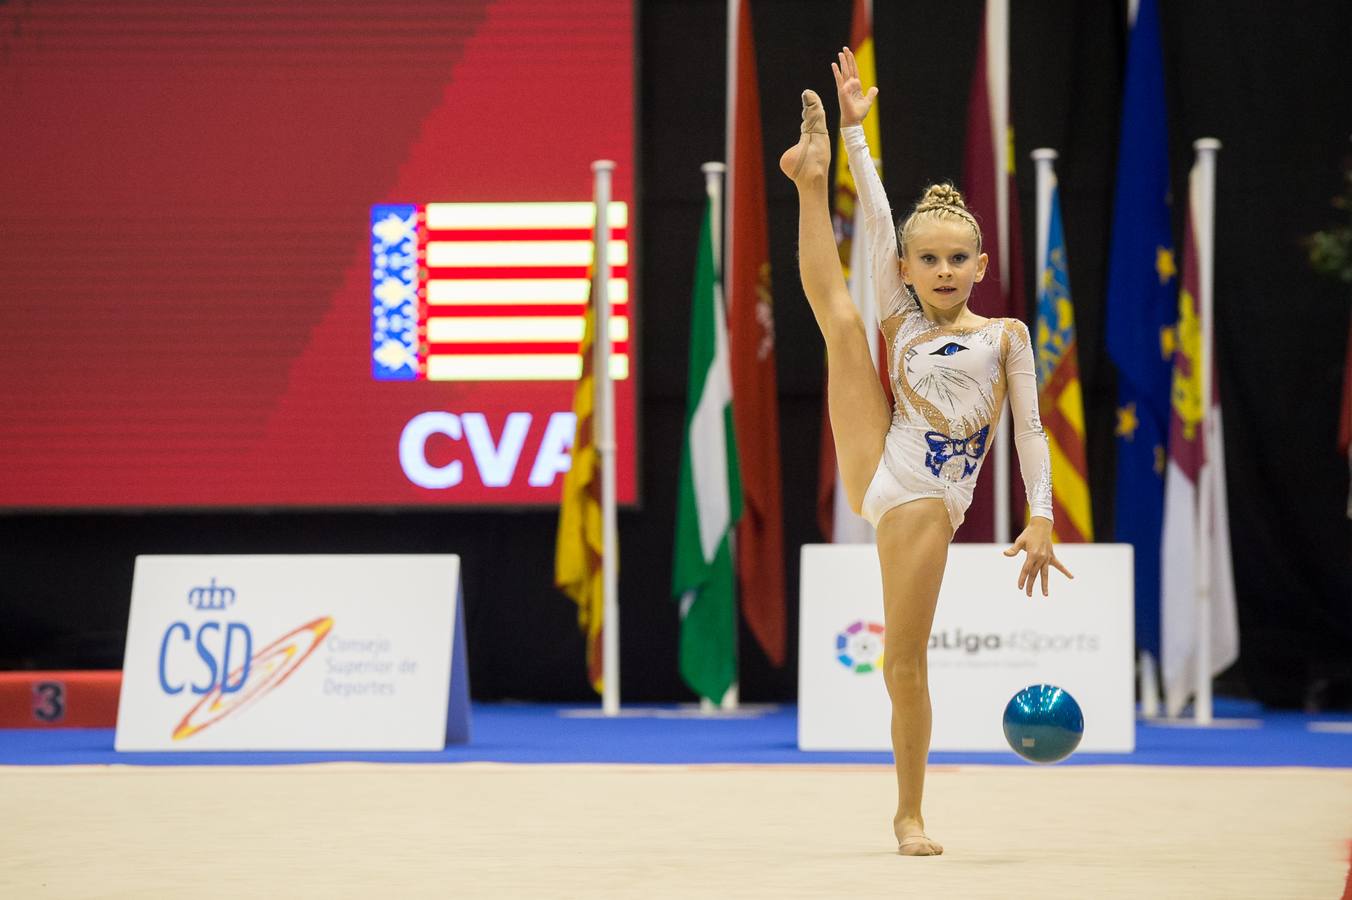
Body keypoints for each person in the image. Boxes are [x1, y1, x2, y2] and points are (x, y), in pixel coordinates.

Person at [779, 47, 1073, 856]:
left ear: (981, 267)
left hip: (929, 495)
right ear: (907, 269)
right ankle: (808, 178)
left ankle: (907, 810)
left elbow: (1028, 431)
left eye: (957, 260)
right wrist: (850, 138)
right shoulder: (902, 318)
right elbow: (874, 219)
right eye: (927, 260)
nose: (942, 271)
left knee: (902, 664)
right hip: (885, 457)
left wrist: (1040, 517)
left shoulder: (1006, 338)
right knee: (842, 325)